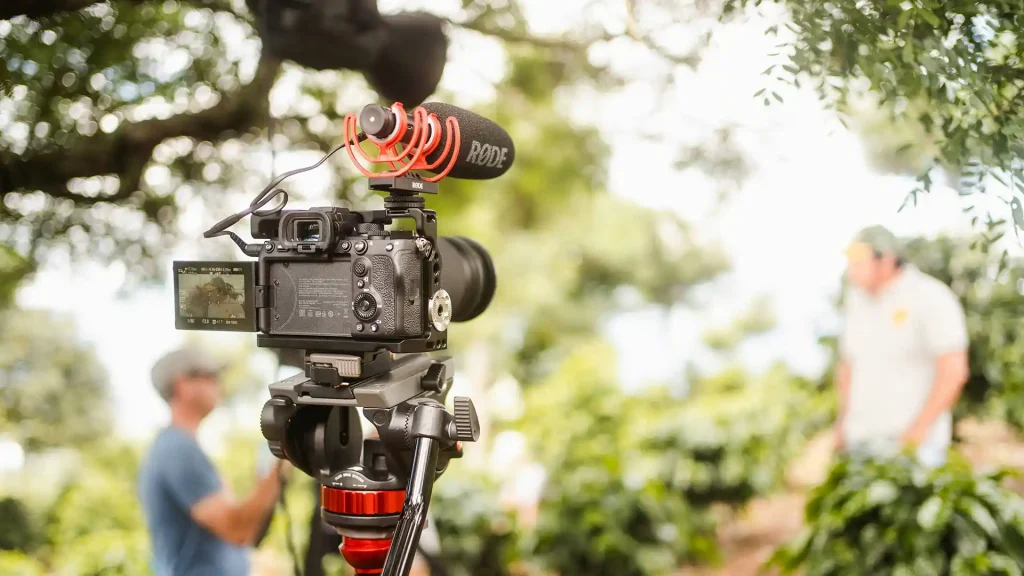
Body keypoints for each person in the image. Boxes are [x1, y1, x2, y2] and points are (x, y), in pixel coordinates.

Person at [139, 347, 285, 576]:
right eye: (211, 376)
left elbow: (244, 533)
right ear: (182, 385)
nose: (219, 385)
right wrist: (280, 467)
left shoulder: (178, 446)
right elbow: (237, 530)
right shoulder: (178, 450)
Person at [834, 225, 969, 468]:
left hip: (916, 448)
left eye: (858, 261)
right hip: (861, 443)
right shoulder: (855, 301)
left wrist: (917, 433)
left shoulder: (930, 296)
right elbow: (847, 366)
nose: (850, 269)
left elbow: (953, 371)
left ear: (886, 260)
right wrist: (842, 423)